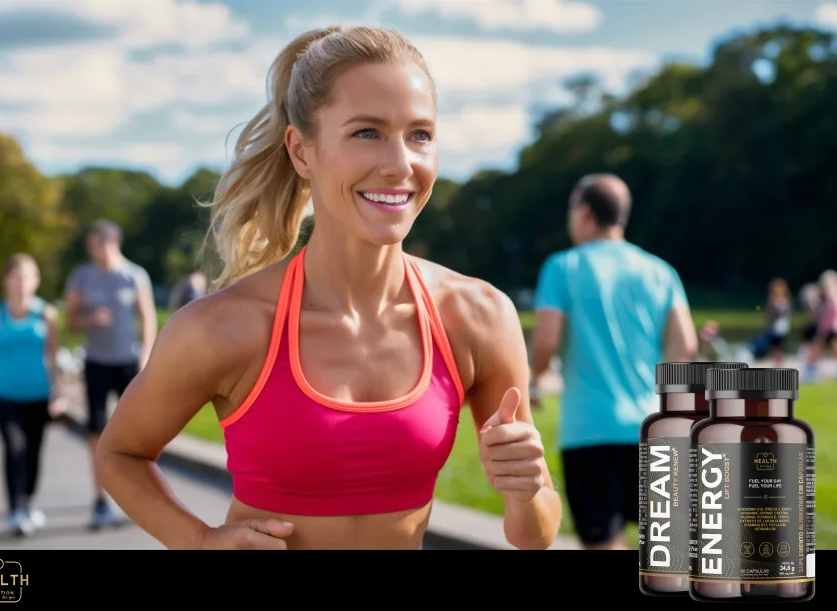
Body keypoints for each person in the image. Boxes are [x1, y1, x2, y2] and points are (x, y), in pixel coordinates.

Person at [94, 25, 562, 551]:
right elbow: (120, 454)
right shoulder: (226, 326)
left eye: (420, 134)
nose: (400, 164)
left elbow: (535, 533)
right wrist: (199, 540)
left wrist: (526, 492)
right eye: (367, 132)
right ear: (301, 151)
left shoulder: (477, 316)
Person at [528, 173, 698, 550]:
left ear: (585, 212)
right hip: (656, 428)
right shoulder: (660, 271)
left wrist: (535, 380)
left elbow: (546, 340)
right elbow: (684, 345)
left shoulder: (563, 267)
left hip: (591, 431)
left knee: (603, 543)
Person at [64, 219, 158, 530]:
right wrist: (89, 318)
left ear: (112, 243)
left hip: (128, 364)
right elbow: (71, 321)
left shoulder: (133, 275)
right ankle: (101, 499)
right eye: (90, 247)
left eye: (98, 245)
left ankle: (141, 499)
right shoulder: (82, 276)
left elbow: (148, 317)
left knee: (136, 432)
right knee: (96, 433)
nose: (94, 252)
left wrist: (146, 356)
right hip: (96, 363)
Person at [0, 254, 64, 537]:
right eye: (16, 276)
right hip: (4, 395)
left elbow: (54, 357)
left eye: (27, 276)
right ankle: (16, 509)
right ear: (6, 281)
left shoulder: (46, 315)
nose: (21, 282)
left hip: (38, 394)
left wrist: (57, 393)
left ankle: (30, 499)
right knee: (14, 448)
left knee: (34, 452)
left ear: (36, 281)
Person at [805, 269, 837, 381]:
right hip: (827, 328)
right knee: (818, 350)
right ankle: (810, 372)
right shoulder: (825, 298)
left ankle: (810, 372)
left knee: (824, 350)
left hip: (830, 328)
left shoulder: (831, 296)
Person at [761, 278, 792, 367]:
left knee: (777, 347)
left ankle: (778, 364)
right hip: (778, 327)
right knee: (776, 347)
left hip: (779, 327)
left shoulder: (779, 300)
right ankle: (778, 364)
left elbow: (775, 314)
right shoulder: (784, 300)